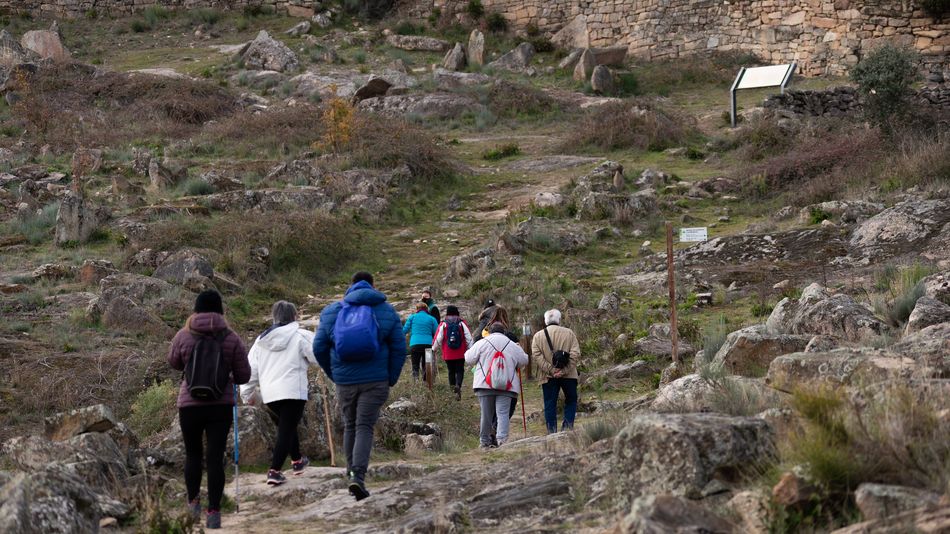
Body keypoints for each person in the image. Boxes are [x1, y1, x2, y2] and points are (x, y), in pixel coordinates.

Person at [313, 272, 406, 501]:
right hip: (375, 380)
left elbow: (318, 347)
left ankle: (351, 473)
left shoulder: (333, 311)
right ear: (373, 286)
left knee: (350, 425)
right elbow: (399, 348)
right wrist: (390, 377)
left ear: (350, 286)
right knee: (364, 425)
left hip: (344, 380)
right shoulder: (385, 310)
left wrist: (333, 374)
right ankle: (358, 477)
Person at [167, 290, 250, 530]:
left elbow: (173, 362)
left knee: (192, 455)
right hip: (220, 405)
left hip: (190, 404)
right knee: (215, 457)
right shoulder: (231, 337)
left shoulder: (184, 335)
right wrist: (227, 374)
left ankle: (192, 504)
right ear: (220, 309)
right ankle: (214, 512)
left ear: (196, 309)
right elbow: (244, 375)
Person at [241, 301, 316, 487]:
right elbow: (318, 355)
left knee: (287, 426)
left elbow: (250, 370)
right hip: (293, 391)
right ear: (295, 315)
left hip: (270, 395)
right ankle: (274, 471)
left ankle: (297, 461)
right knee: (286, 429)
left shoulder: (261, 340)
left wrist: (247, 394)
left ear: (274, 316)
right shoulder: (301, 335)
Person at [465, 322, 529, 448]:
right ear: (503, 331)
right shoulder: (512, 344)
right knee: (503, 414)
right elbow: (524, 360)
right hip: (507, 385)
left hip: (484, 385)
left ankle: (484, 442)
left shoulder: (482, 343)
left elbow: (468, 358)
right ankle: (502, 441)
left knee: (486, 415)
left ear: (491, 331)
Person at [531, 309, 581, 434]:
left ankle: (552, 432)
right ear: (559, 320)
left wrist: (552, 371)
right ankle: (567, 429)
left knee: (550, 404)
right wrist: (564, 371)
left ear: (545, 320)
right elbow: (575, 354)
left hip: (548, 377)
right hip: (569, 376)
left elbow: (537, 356)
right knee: (571, 400)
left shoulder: (538, 336)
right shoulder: (569, 333)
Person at [431, 305, 473, 400]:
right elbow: (469, 338)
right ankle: (458, 385)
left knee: (451, 371)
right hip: (460, 352)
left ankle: (452, 390)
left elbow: (438, 338)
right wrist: (471, 349)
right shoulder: (461, 323)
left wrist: (433, 349)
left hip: (448, 353)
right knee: (460, 370)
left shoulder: (443, 324)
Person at [403, 301, 439, 382]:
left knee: (415, 365)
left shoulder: (412, 317)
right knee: (427, 365)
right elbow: (437, 332)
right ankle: (428, 384)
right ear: (427, 309)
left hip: (415, 344)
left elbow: (404, 330)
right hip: (428, 345)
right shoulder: (432, 318)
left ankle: (416, 382)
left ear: (417, 309)